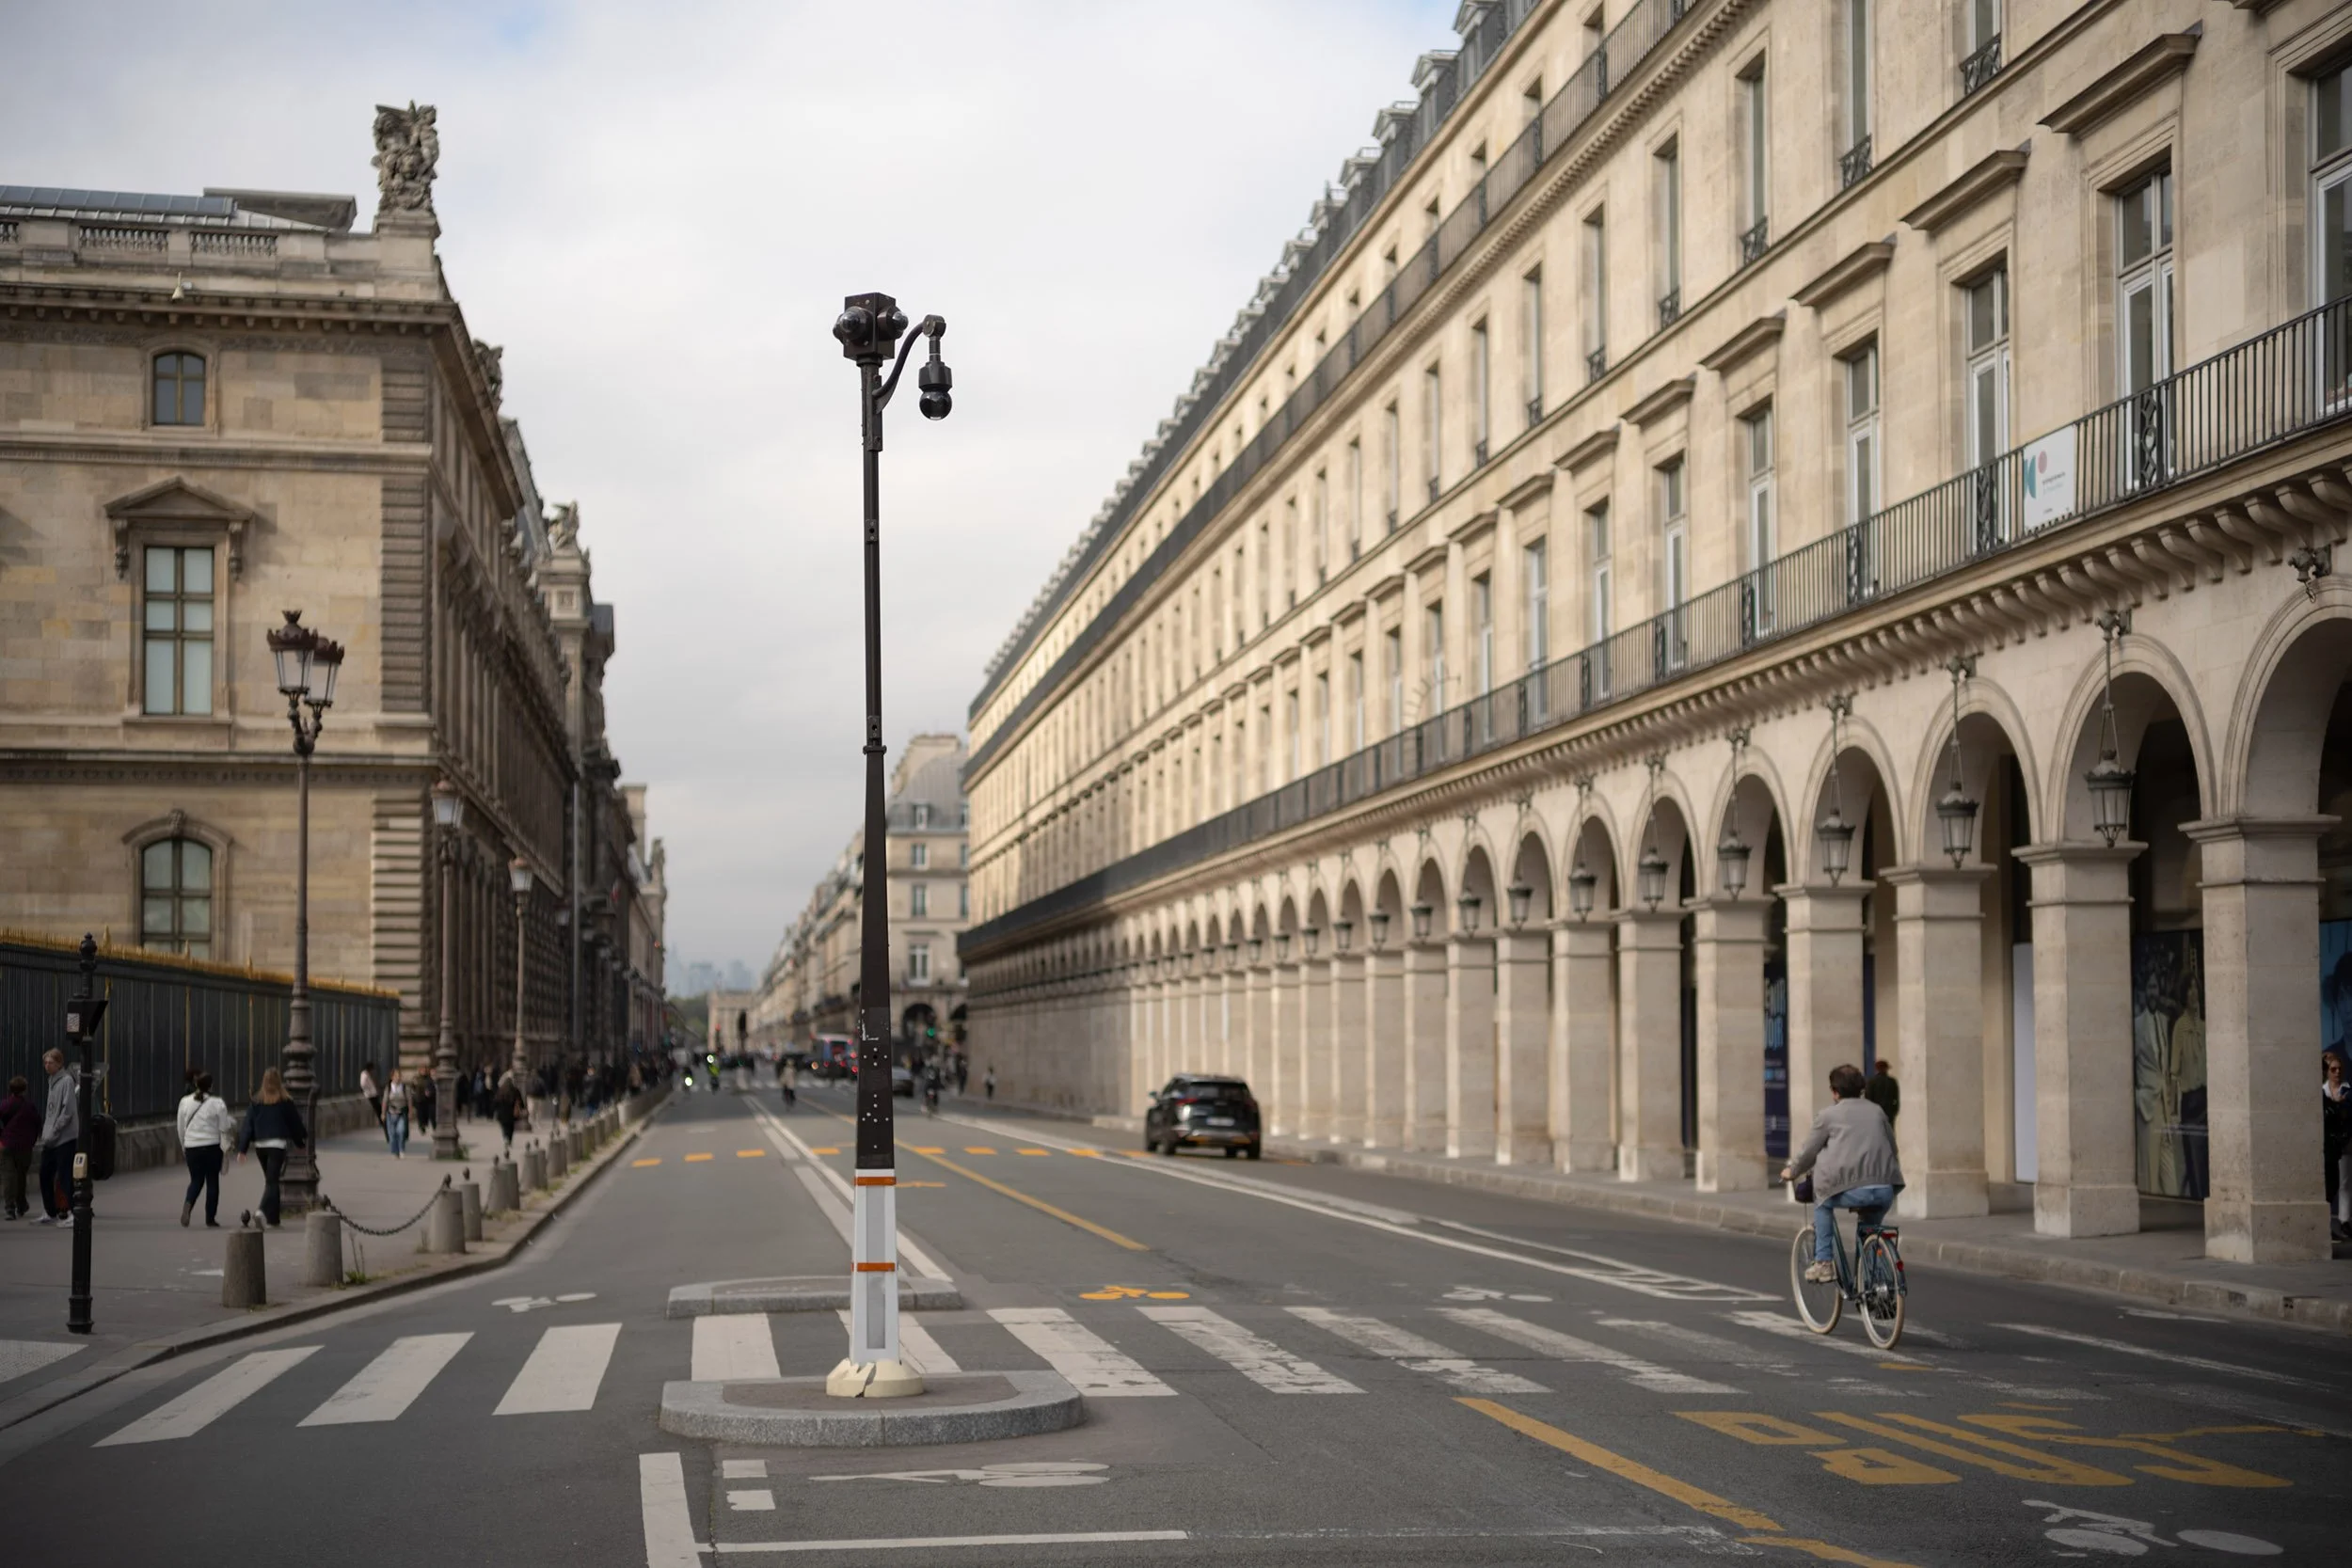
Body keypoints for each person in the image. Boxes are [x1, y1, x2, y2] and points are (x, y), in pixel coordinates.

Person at [1780, 1063, 1905, 1283]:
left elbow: (1809, 1151)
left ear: (1835, 1091)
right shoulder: (1877, 1111)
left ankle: (1824, 1263)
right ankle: (1871, 1281)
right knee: (1869, 1228)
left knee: (1822, 1200)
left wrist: (1792, 1170)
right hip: (1885, 1189)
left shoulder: (1827, 1116)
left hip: (1850, 1190)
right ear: (1862, 1089)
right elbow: (1893, 1148)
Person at [236, 1067, 308, 1227]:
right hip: (277, 1146)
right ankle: (261, 1211)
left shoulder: (256, 1102)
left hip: (261, 1146)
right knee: (272, 1181)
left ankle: (274, 1219)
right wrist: (300, 1143)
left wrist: (243, 1149)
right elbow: (295, 1124)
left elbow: (248, 1126)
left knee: (271, 1181)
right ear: (279, 1081)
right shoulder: (285, 1102)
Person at [176, 1070, 234, 1227]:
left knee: (196, 1180)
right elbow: (224, 1128)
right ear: (211, 1086)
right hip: (212, 1147)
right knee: (212, 1182)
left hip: (192, 1147)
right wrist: (226, 1146)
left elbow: (181, 1127)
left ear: (196, 1084)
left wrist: (184, 1145)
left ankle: (188, 1204)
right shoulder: (218, 1103)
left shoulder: (185, 1102)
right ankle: (210, 1218)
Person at [36, 1048, 78, 1227]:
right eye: (45, 1062)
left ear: (59, 1064)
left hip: (64, 1137)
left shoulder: (66, 1081)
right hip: (51, 1138)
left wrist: (54, 1131)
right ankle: (50, 1211)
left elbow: (66, 1111)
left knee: (65, 1175)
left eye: (50, 1062)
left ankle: (72, 1213)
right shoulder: (52, 1081)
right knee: (44, 1173)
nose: (47, 1066)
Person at [0, 1075, 39, 1220]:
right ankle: (21, 1204)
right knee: (21, 1176)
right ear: (25, 1090)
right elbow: (37, 1124)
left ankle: (10, 1207)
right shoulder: (30, 1106)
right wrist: (32, 1140)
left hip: (7, 1144)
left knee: (8, 1176)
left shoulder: (5, 1105)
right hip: (24, 1146)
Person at [2324, 1049, 2352, 1243]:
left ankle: (2344, 1221)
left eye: (2339, 1069)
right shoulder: (2322, 1092)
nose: (2337, 1072)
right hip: (2328, 1145)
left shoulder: (2347, 1091)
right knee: (2330, 1186)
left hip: (2345, 1142)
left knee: (2344, 1182)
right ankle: (2327, 1226)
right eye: (2333, 1069)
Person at [1863, 1059, 1899, 1142]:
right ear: (1886, 1069)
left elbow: (1868, 1098)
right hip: (1889, 1113)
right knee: (1889, 1136)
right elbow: (1896, 1099)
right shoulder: (1892, 1081)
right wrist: (1894, 1111)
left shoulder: (1871, 1082)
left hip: (1875, 1113)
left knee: (1876, 1136)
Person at [493, 1068, 525, 1154]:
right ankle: (509, 1140)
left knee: (504, 1127)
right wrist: (522, 1108)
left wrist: (495, 1110)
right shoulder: (515, 1090)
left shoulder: (501, 1091)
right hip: (511, 1113)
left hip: (502, 1113)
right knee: (511, 1127)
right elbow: (520, 1101)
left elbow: (495, 1101)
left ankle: (505, 1138)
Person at [381, 1069, 412, 1158]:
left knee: (401, 1131)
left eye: (399, 1076)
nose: (397, 1078)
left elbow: (409, 1100)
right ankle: (395, 1151)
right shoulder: (389, 1088)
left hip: (402, 1113)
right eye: (395, 1076)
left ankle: (401, 1149)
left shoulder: (405, 1088)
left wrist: (410, 1112)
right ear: (392, 1077)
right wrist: (383, 1113)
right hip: (391, 1113)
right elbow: (385, 1101)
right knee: (392, 1134)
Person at [360, 1061, 383, 1143]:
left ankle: (381, 1121)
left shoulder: (370, 1073)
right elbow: (363, 1084)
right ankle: (381, 1121)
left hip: (374, 1093)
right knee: (376, 1107)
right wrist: (368, 1089)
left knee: (378, 1107)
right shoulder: (364, 1074)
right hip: (370, 1094)